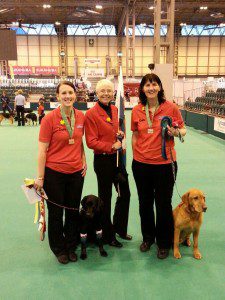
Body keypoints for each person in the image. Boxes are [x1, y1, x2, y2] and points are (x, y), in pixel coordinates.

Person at [131, 73, 186, 259]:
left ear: (160, 87)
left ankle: (164, 242)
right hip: (141, 165)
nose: (151, 88)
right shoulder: (138, 110)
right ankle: (148, 238)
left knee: (163, 204)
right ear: (142, 89)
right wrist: (136, 155)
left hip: (164, 164)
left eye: (154, 84)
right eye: (147, 85)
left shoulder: (170, 107)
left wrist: (176, 132)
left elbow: (183, 129)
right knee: (144, 204)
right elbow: (135, 135)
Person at [34, 81, 87, 264]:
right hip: (54, 173)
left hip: (75, 173)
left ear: (75, 95)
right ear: (57, 96)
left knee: (73, 211)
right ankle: (59, 248)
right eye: (63, 93)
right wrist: (40, 177)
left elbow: (79, 141)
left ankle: (71, 245)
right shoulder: (49, 119)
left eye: (70, 92)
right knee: (56, 213)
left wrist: (84, 160)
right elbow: (42, 151)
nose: (67, 96)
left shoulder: (80, 116)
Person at [85, 79, 132, 248]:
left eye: (108, 90)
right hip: (103, 160)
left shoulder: (115, 109)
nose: (106, 93)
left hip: (118, 159)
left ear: (113, 93)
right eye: (102, 91)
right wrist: (111, 145)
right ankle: (107, 234)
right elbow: (91, 141)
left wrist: (119, 135)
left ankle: (119, 228)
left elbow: (116, 131)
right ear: (96, 94)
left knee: (124, 194)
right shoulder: (91, 114)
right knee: (105, 198)